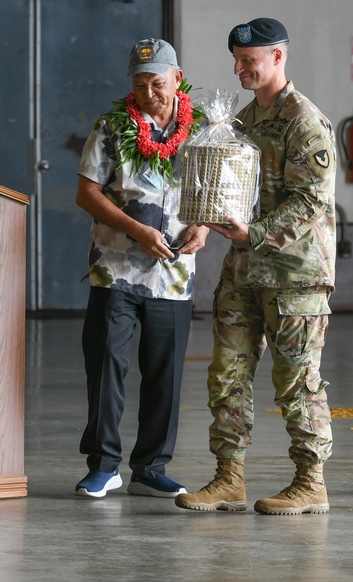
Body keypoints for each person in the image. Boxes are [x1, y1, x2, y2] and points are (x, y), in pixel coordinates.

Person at [174, 18, 337, 516]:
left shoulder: (304, 121)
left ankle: (311, 483)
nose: (240, 68)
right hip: (244, 271)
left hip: (294, 275)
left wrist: (257, 235)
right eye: (236, 60)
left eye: (250, 60)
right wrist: (202, 227)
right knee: (227, 374)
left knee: (296, 380)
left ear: (278, 58)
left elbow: (311, 198)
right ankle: (229, 478)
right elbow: (224, 190)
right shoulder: (242, 123)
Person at [74, 38, 209, 499]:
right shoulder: (112, 126)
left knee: (165, 372)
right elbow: (87, 192)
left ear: (177, 77)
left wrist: (205, 229)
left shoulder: (205, 129)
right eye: (139, 83)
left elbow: (216, 192)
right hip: (116, 267)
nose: (149, 92)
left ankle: (151, 467)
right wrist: (136, 230)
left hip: (174, 271)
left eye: (157, 82)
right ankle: (104, 464)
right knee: (107, 363)